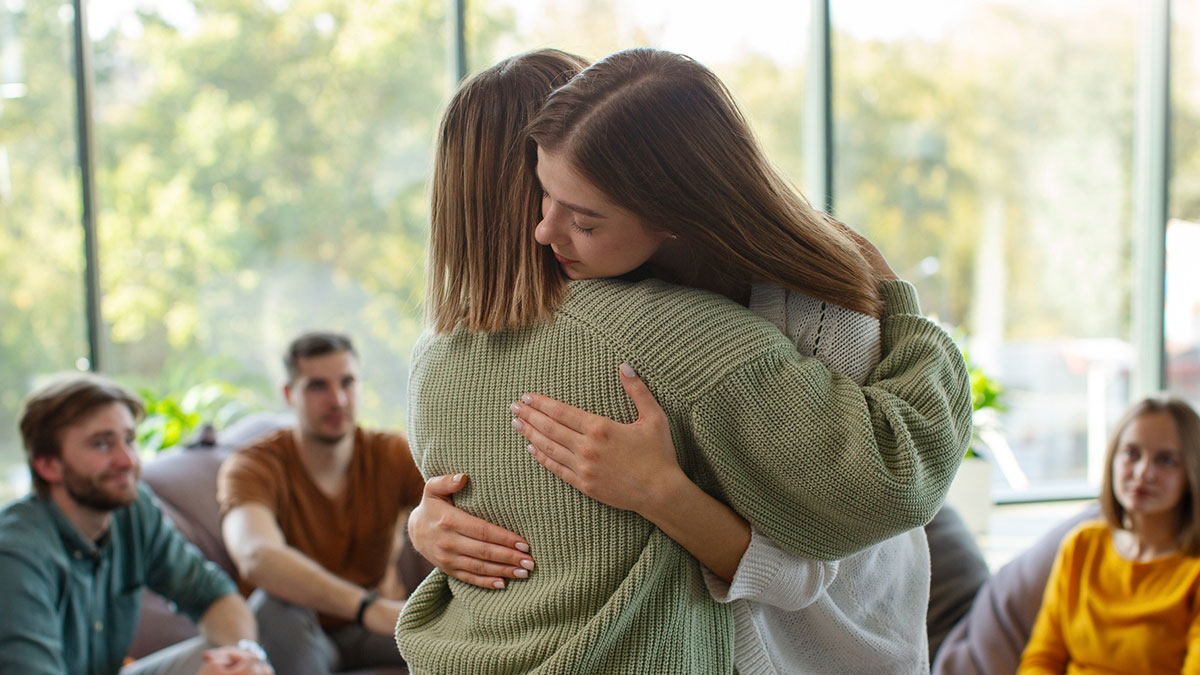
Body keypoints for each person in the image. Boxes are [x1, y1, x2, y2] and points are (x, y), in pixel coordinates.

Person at [395, 48, 972, 674]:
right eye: (548, 194)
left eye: (582, 215)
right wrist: (424, 527)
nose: (545, 229)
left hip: (835, 648)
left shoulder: (434, 362)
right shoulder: (670, 333)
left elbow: (834, 548)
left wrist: (664, 495)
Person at [0, 373, 272, 675]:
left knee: (232, 658)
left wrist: (246, 654)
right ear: (48, 465)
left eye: (129, 439)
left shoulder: (132, 510)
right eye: (102, 444)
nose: (128, 459)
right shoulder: (16, 555)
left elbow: (210, 593)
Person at [217, 332, 424, 674]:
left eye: (347, 382)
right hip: (295, 631)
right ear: (289, 394)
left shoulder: (392, 454)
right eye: (317, 386)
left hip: (375, 628)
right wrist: (365, 607)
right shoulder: (252, 465)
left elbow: (459, 510)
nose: (338, 399)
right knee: (272, 603)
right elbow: (255, 554)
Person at [1018, 396, 1200, 674]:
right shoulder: (1081, 545)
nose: (1143, 473)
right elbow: (1041, 658)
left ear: (1191, 473)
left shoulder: (1194, 570)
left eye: (1165, 460)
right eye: (1131, 453)